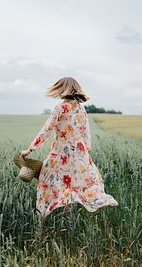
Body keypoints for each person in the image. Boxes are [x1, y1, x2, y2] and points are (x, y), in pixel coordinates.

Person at [20, 77, 118, 219]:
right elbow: (86, 134)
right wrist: (83, 154)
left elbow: (46, 130)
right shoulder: (81, 109)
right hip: (79, 155)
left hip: (61, 153)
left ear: (63, 90)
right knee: (74, 185)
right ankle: (67, 216)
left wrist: (30, 149)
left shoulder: (60, 108)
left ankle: (43, 217)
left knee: (45, 181)